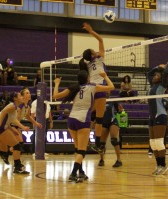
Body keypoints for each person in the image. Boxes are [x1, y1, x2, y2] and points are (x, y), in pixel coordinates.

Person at [53, 70, 114, 183]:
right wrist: (105, 76)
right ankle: (72, 173)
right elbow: (111, 87)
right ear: (87, 79)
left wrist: (57, 83)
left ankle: (81, 172)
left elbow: (55, 96)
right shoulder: (92, 87)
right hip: (83, 120)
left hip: (71, 120)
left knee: (77, 149)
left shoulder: (74, 88)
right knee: (82, 151)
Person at [79, 22, 107, 151]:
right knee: (100, 118)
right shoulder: (100, 58)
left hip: (91, 89)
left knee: (92, 115)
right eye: (93, 51)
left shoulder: (87, 65)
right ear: (93, 55)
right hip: (100, 88)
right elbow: (101, 40)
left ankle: (87, 139)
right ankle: (97, 144)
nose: (95, 51)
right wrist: (91, 31)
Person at [147, 59, 168, 175]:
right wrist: (156, 66)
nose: (154, 76)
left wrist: (167, 64)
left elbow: (166, 73)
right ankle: (158, 165)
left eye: (157, 75)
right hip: (152, 116)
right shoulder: (152, 85)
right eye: (155, 75)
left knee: (159, 142)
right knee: (153, 143)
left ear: (161, 78)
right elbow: (149, 73)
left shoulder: (161, 86)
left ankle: (163, 165)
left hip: (160, 115)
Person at [98, 100, 123, 168]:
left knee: (114, 140)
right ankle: (101, 160)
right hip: (103, 123)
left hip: (113, 121)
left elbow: (119, 112)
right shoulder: (98, 101)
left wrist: (121, 110)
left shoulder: (112, 101)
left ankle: (119, 160)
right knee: (101, 144)